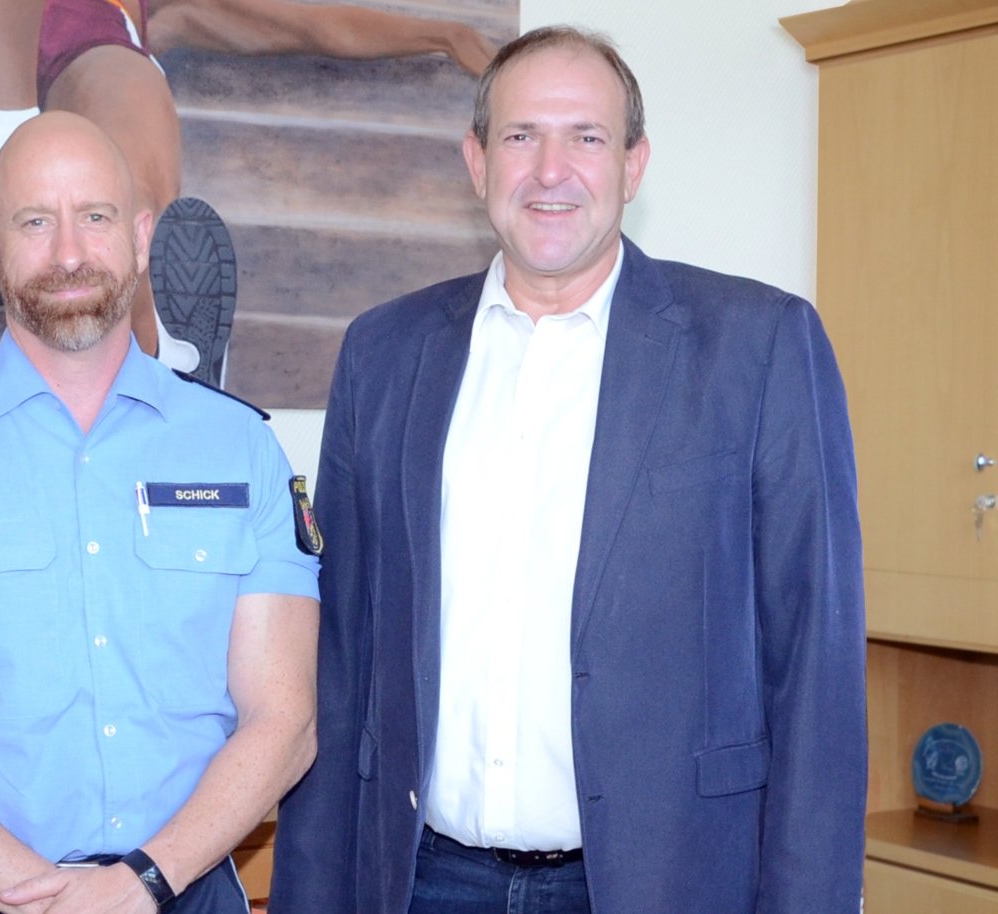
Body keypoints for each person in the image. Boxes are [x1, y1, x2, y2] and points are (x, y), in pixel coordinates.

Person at [268, 26, 865, 914]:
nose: (551, 171)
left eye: (586, 136)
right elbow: (342, 658)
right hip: (424, 880)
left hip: (668, 882)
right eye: (521, 136)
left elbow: (816, 665)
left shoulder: (760, 346)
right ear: (477, 162)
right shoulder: (383, 353)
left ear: (633, 164)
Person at [0, 111, 322, 913]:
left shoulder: (241, 449)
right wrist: (50, 900)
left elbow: (283, 720)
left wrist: (142, 881)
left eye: (96, 217)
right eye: (35, 222)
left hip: (184, 886)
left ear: (142, 237)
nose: (70, 253)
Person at [0, 0, 497, 386]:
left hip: (91, 73)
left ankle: (161, 346)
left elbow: (297, 22)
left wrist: (440, 35)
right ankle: (4, 178)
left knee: (127, 74)